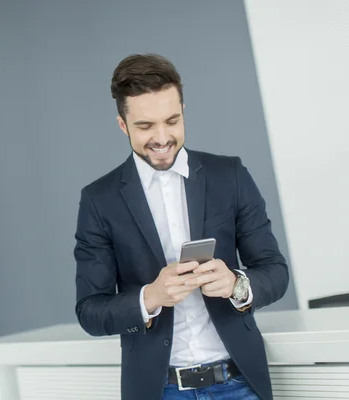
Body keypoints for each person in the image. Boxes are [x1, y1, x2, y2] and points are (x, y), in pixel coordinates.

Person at [74, 53, 289, 400]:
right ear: (122, 125)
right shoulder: (100, 200)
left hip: (239, 384)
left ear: (183, 111)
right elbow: (89, 311)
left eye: (172, 121)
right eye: (145, 126)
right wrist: (151, 297)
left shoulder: (229, 176)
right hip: (160, 390)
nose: (162, 137)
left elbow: (275, 271)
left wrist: (236, 284)